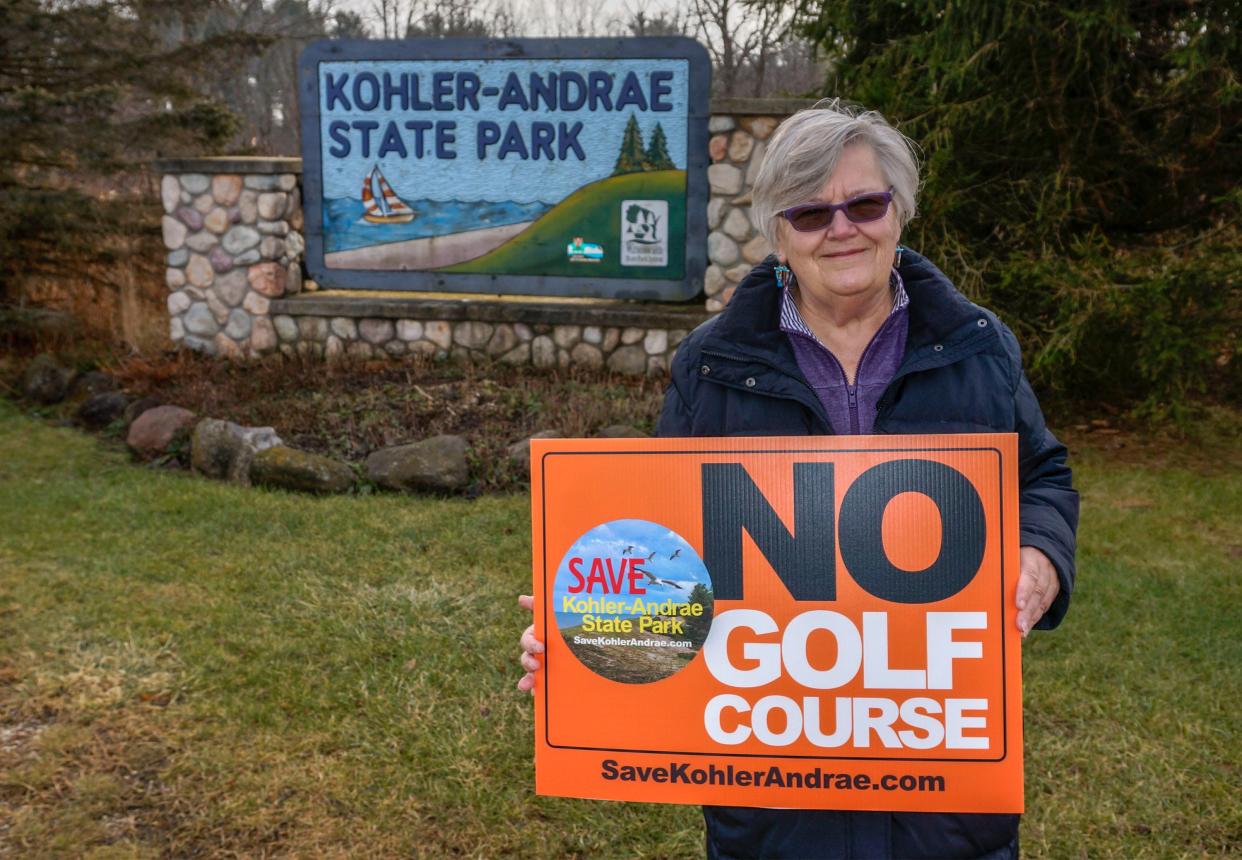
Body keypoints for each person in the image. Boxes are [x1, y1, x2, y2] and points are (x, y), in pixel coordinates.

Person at [519, 100, 1078, 859]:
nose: (841, 228)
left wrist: (1040, 551)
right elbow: (666, 543)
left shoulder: (978, 348)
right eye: (810, 213)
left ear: (900, 214)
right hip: (774, 800)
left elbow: (1042, 471)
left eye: (865, 203)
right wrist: (589, 630)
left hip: (942, 795)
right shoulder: (711, 364)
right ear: (777, 234)